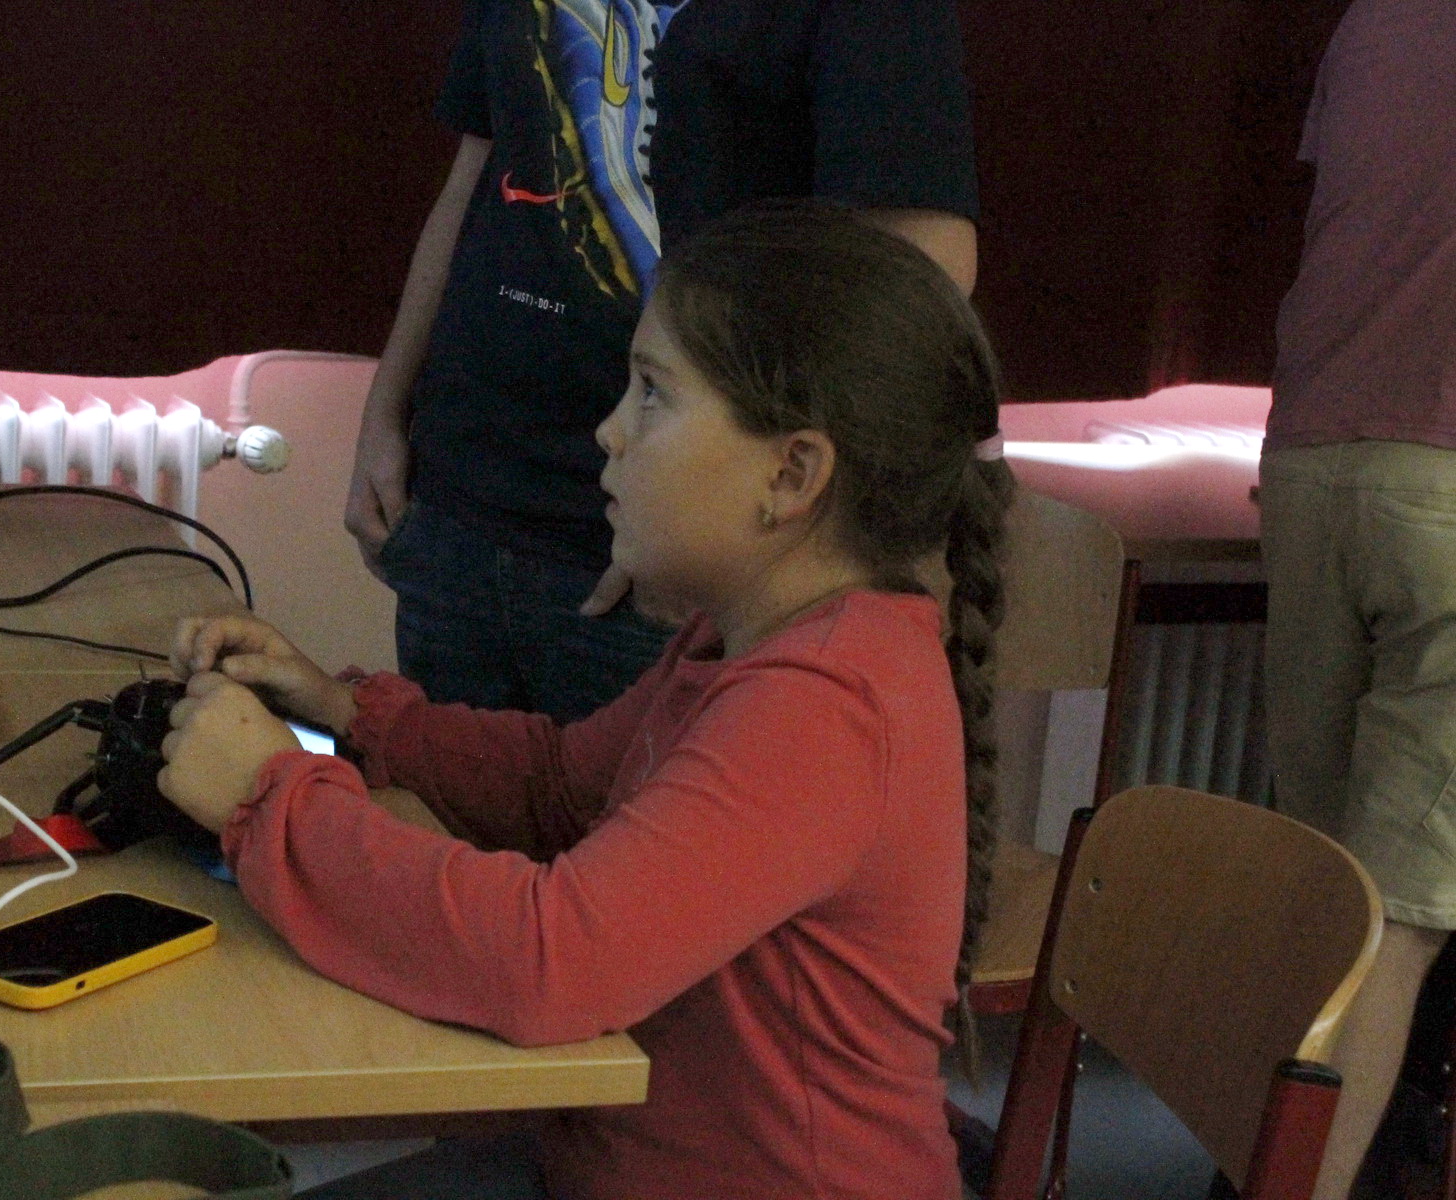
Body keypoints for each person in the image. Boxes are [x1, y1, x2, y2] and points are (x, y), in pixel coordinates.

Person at [162, 202, 1010, 1200]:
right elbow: (562, 784)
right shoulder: (743, 639)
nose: (609, 431)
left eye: (652, 394)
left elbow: (548, 960)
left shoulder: (826, 705)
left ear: (791, 475)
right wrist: (350, 715)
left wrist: (267, 797)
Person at [345, 0, 980, 723]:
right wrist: (384, 413)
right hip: (456, 504)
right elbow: (477, 171)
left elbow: (922, 273)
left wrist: (712, 527)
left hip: (660, 561)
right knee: (431, 782)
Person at [1257, 2, 1456, 1197]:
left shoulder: (1375, 15)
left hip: (1311, 463)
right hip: (1446, 487)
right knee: (1398, 924)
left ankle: (1257, 1166)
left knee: (1327, 896)